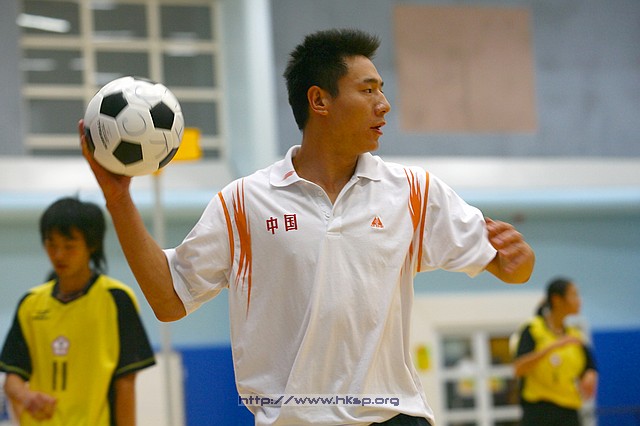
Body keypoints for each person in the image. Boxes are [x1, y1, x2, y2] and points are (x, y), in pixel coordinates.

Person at [79, 28, 535, 426]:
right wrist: (118, 200)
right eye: (368, 90)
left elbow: (511, 269)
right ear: (319, 100)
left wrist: (519, 258)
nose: (384, 104)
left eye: (381, 90)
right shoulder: (243, 202)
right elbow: (168, 299)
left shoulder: (413, 191)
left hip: (395, 418)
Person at [0, 197, 156, 426]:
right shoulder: (30, 304)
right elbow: (12, 377)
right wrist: (26, 397)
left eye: (69, 246)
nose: (58, 255)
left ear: (92, 245)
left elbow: (126, 383)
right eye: (51, 244)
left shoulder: (116, 300)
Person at [512, 277, 598, 426]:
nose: (579, 300)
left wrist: (590, 376)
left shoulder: (575, 335)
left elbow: (590, 367)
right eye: (574, 295)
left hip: (569, 411)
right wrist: (553, 347)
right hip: (539, 412)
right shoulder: (533, 329)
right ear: (557, 300)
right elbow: (519, 368)